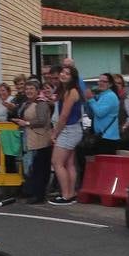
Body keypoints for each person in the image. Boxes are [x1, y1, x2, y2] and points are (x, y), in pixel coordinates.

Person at [13, 77, 52, 203]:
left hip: (40, 140)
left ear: (37, 90)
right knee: (33, 168)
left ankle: (39, 195)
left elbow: (42, 120)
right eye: (27, 89)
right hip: (30, 139)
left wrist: (26, 123)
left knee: (39, 169)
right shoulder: (27, 103)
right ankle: (34, 193)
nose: (29, 91)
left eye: (31, 89)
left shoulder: (41, 103)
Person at [48, 67, 83, 204]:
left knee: (57, 162)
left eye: (67, 74)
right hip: (74, 130)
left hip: (68, 130)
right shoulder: (67, 91)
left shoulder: (71, 91)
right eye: (62, 72)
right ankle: (71, 193)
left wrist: (55, 133)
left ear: (72, 77)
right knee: (69, 163)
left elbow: (64, 116)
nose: (63, 75)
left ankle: (66, 195)